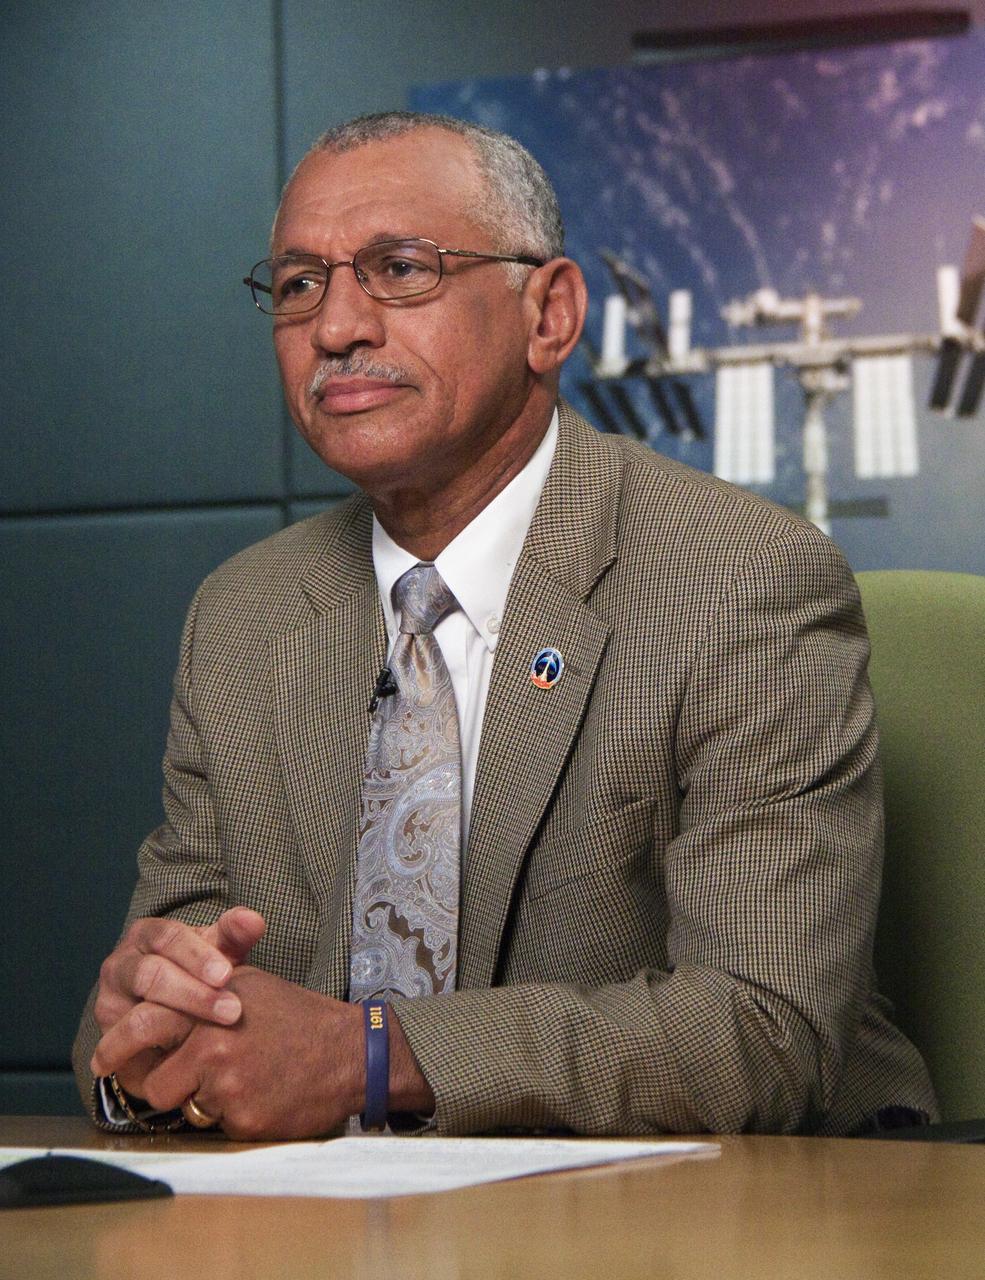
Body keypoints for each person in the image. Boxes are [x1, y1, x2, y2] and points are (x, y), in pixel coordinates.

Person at [73, 111, 937, 1140]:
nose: (337, 325)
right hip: (323, 1222)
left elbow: (762, 1026)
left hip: (697, 1214)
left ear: (549, 315)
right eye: (299, 283)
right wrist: (152, 1035)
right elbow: (154, 984)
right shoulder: (244, 617)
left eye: (398, 269)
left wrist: (371, 1055)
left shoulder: (739, 580)